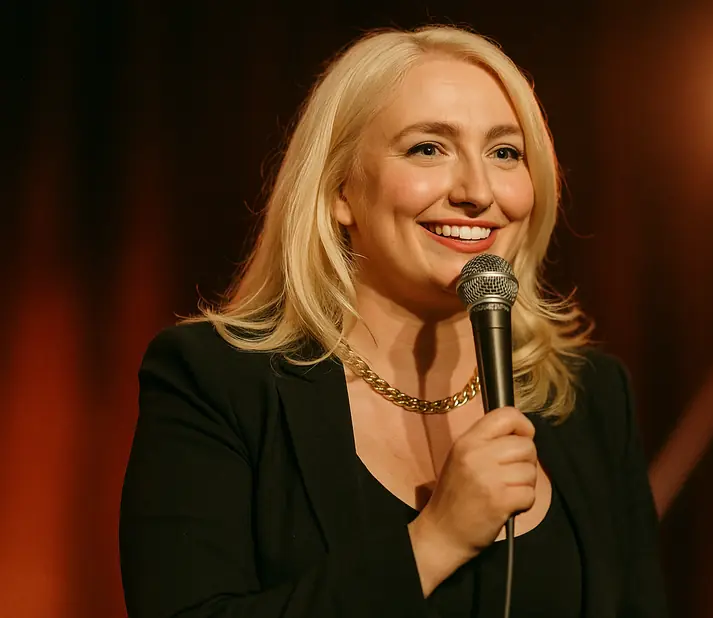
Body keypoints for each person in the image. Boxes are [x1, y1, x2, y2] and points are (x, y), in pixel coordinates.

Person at [119, 24, 668, 618]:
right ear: (340, 190)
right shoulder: (217, 381)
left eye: (505, 152)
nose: (478, 192)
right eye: (427, 148)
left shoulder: (587, 394)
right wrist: (435, 541)